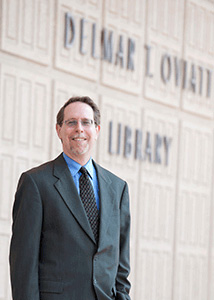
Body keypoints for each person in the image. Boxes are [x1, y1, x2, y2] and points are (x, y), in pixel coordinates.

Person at [9, 96, 131, 300]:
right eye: (71, 122)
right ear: (59, 130)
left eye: (86, 122)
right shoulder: (36, 183)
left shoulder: (118, 188)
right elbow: (24, 264)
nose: (79, 129)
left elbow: (121, 264)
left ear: (97, 130)